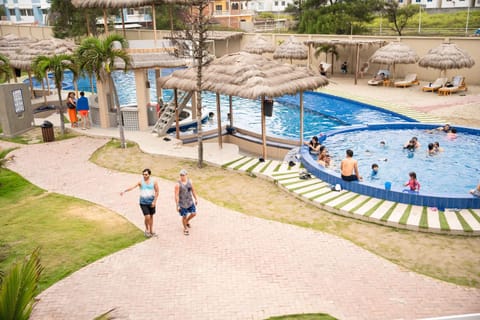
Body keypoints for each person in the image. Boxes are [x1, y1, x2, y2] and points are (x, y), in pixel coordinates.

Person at [120, 169, 159, 238]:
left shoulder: (154, 182)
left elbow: (157, 192)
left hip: (151, 202)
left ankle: (151, 231)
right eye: (143, 174)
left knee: (151, 217)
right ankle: (147, 230)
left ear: (149, 174)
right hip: (143, 202)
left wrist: (154, 201)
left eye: (146, 174)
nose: (144, 176)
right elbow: (132, 187)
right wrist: (124, 191)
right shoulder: (140, 182)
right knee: (147, 217)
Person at [174, 169, 198, 236]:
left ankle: (187, 221)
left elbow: (193, 190)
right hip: (182, 203)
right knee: (184, 216)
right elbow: (176, 195)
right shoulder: (178, 184)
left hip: (190, 201)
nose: (182, 176)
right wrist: (177, 205)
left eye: (183, 175)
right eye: (181, 175)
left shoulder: (190, 181)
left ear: (186, 175)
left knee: (194, 213)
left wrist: (195, 199)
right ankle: (185, 228)